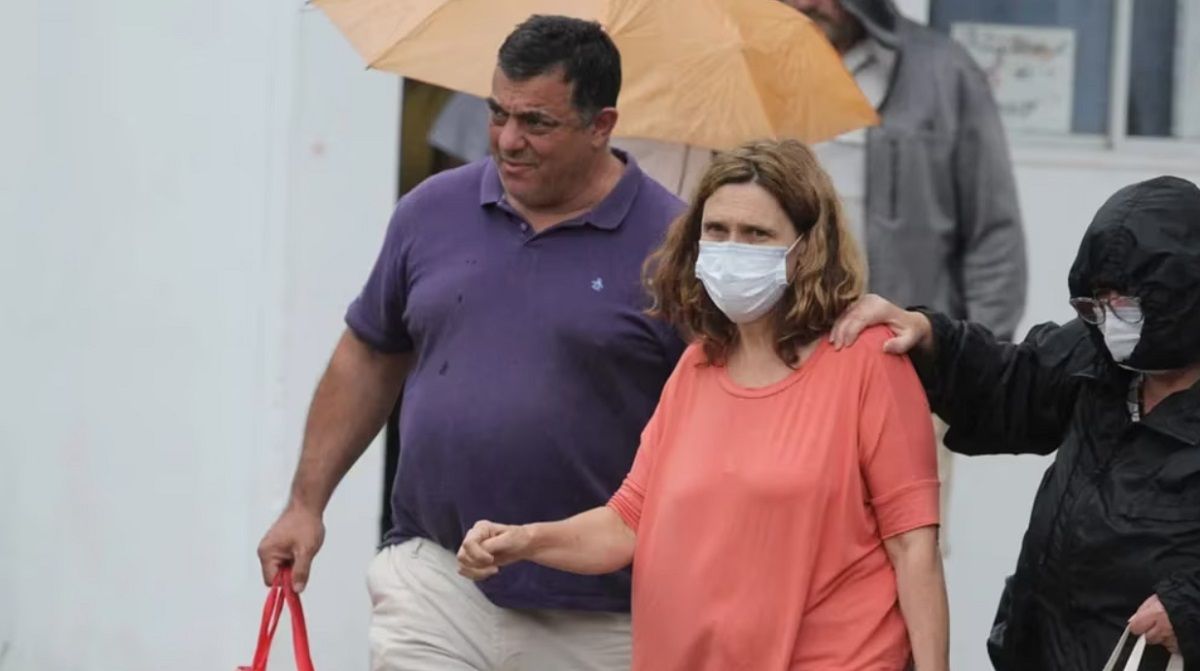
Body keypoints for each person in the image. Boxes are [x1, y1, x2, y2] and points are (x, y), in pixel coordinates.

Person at [255, 15, 686, 671]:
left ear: (602, 125)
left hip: (603, 611)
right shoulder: (430, 211)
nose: (508, 140)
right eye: (497, 113)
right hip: (437, 580)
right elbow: (369, 354)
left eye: (537, 122)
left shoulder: (673, 245)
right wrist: (304, 504)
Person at [457, 139, 949, 671]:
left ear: (807, 248)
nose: (732, 247)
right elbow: (627, 524)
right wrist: (526, 541)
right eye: (717, 231)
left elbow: (913, 549)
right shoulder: (696, 369)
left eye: (756, 234)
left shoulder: (867, 360)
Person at [830, 176, 1200, 670]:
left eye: (1126, 302)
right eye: (1099, 302)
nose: (1111, 319)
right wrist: (929, 338)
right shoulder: (1100, 358)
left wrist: (1190, 607)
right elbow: (1012, 382)